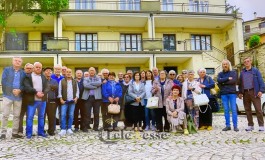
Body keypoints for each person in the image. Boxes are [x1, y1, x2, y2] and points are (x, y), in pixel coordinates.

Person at [0, 57, 25, 139]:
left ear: (21, 63)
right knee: (5, 115)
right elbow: (3, 81)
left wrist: (19, 90)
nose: (17, 62)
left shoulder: (23, 72)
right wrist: (12, 90)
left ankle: (14, 133)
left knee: (17, 116)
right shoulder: (7, 70)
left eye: (19, 61)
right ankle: (3, 133)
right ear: (12, 61)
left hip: (18, 97)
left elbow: (24, 84)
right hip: (8, 96)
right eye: (16, 60)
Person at [238, 57, 265, 132]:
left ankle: (261, 125)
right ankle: (250, 125)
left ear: (251, 62)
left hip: (254, 92)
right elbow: (240, 83)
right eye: (245, 62)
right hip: (245, 92)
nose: (247, 62)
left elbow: (261, 81)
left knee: (258, 109)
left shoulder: (255, 71)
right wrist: (240, 92)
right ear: (244, 63)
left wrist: (261, 90)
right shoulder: (242, 72)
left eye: (248, 61)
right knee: (247, 110)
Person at [23, 62, 49, 139]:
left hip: (42, 100)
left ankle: (40, 132)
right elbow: (27, 87)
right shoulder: (28, 76)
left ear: (41, 68)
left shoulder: (43, 77)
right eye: (36, 67)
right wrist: (36, 92)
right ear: (33, 68)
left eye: (40, 67)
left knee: (41, 117)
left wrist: (43, 93)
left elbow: (47, 87)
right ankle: (29, 133)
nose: (38, 68)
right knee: (30, 117)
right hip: (32, 100)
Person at [217, 59, 239, 132]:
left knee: (233, 110)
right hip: (224, 94)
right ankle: (228, 125)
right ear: (222, 66)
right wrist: (227, 79)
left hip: (232, 93)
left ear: (229, 65)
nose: (225, 65)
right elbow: (219, 81)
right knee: (226, 110)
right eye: (224, 64)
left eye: (226, 64)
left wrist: (223, 82)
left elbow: (233, 81)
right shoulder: (220, 74)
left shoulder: (233, 72)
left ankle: (235, 126)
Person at [58, 69, 79, 136]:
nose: (68, 73)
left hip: (72, 101)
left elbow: (78, 91)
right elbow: (59, 91)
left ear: (71, 73)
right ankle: (63, 129)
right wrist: (61, 99)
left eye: (70, 72)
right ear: (65, 73)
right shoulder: (62, 81)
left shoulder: (75, 81)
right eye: (67, 72)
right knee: (63, 115)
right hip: (64, 101)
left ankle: (69, 128)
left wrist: (76, 98)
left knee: (71, 115)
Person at [82, 67, 101, 132]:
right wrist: (95, 86)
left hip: (97, 98)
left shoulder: (98, 78)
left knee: (96, 113)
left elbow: (99, 83)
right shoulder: (85, 78)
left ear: (95, 72)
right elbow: (85, 85)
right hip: (88, 98)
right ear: (88, 72)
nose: (92, 72)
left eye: (93, 70)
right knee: (87, 113)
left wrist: (90, 84)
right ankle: (85, 127)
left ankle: (96, 127)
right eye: (90, 71)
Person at [18, 63, 34, 135]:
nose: (29, 70)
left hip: (31, 99)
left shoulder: (34, 77)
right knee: (20, 116)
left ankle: (29, 130)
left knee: (30, 116)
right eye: (28, 68)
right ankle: (20, 130)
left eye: (31, 68)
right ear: (24, 69)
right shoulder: (20, 76)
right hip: (21, 98)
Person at [44, 67, 58, 136]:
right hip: (42, 101)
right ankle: (41, 130)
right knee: (42, 116)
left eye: (50, 71)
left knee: (52, 117)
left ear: (51, 73)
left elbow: (56, 88)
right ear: (44, 72)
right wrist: (51, 87)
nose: (48, 72)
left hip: (52, 100)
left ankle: (51, 131)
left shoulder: (54, 81)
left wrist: (49, 86)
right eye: (47, 71)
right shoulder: (42, 80)